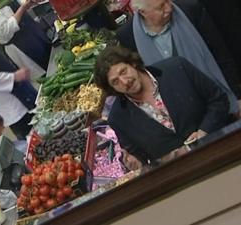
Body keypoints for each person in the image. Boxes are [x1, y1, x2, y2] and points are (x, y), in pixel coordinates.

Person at [94, 46, 230, 165]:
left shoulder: (177, 68)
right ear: (112, 89)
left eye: (123, 71)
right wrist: (136, 163)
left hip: (223, 149)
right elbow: (140, 156)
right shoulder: (118, 118)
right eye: (115, 82)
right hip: (185, 177)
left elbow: (218, 100)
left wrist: (204, 131)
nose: (125, 82)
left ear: (133, 63)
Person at [116, 0, 241, 115]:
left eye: (167, 1)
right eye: (161, 7)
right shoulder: (127, 35)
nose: (169, 8)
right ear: (142, 12)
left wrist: (238, 95)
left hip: (219, 99)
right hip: (181, 113)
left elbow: (220, 53)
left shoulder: (190, 10)